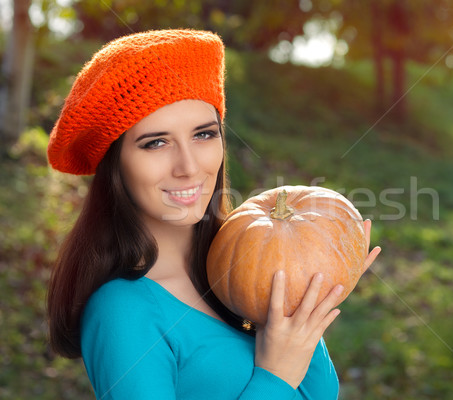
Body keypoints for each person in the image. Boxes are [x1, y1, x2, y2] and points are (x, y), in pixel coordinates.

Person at [46, 29, 380, 400]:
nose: (188, 166)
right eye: (156, 142)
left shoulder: (245, 272)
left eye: (203, 135)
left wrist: (314, 293)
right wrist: (275, 377)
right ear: (115, 164)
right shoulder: (123, 312)